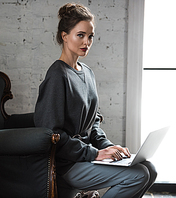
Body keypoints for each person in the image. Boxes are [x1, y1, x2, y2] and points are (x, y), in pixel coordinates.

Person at [34, 3, 157, 198]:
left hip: (88, 156)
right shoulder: (57, 75)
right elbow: (51, 133)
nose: (87, 42)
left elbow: (94, 124)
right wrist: (95, 154)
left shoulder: (88, 74)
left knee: (150, 168)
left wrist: (108, 147)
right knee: (139, 175)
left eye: (90, 36)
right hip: (69, 163)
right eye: (80, 35)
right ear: (65, 36)